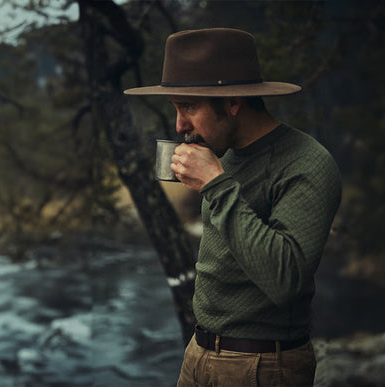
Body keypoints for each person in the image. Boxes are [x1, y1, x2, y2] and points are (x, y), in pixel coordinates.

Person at [124, 28, 342, 386]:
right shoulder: (225, 153)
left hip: (262, 365)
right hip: (199, 353)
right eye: (176, 108)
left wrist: (215, 185)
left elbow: (286, 280)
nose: (180, 125)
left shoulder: (307, 163)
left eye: (189, 107)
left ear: (233, 103)